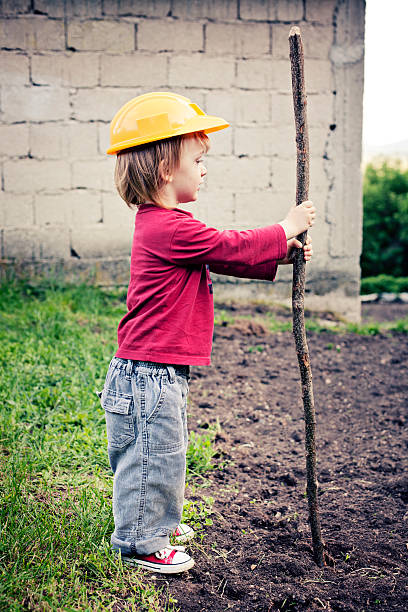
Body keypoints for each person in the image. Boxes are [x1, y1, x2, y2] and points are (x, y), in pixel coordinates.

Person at [100, 92, 316, 574]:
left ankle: (155, 519)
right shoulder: (170, 227)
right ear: (163, 169)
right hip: (147, 374)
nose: (204, 168)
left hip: (155, 372)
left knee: (165, 453)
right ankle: (140, 539)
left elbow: (221, 254)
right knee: (152, 455)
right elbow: (226, 245)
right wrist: (284, 228)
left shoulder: (167, 226)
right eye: (198, 159)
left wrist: (278, 255)